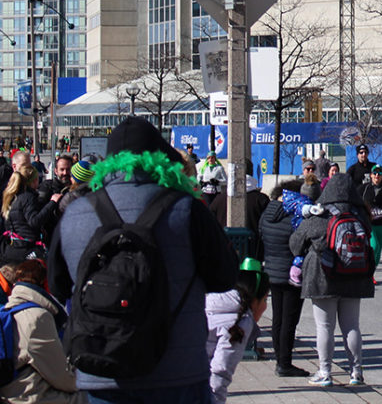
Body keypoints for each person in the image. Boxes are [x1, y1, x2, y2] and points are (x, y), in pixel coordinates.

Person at [48, 115, 239, 403]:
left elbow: (59, 287)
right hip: (177, 372)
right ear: (161, 158)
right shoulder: (187, 209)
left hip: (100, 372)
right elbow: (224, 277)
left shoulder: (74, 213)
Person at [289, 173, 375, 387]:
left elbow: (295, 243)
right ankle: (356, 373)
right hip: (355, 277)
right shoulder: (361, 216)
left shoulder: (320, 216)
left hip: (323, 277)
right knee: (352, 326)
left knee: (325, 327)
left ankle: (325, 372)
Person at [0, 259, 77, 404]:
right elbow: (63, 379)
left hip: (10, 393)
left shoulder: (7, 311)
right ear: (44, 283)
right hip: (31, 396)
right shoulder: (37, 317)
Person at [259, 178, 308, 377]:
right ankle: (285, 363)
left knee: (277, 318)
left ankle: (280, 359)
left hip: (272, 271)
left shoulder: (267, 214)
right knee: (289, 320)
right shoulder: (293, 217)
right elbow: (300, 243)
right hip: (290, 273)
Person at [206, 258, 271, 404]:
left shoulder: (210, 302)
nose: (265, 306)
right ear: (255, 300)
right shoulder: (241, 321)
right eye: (265, 299)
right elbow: (220, 371)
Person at [2, 165, 61, 263]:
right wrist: (52, 203)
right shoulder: (28, 197)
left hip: (14, 246)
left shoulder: (13, 197)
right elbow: (34, 221)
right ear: (34, 181)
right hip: (27, 248)